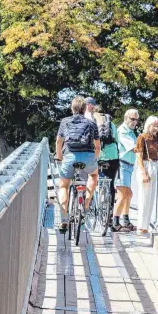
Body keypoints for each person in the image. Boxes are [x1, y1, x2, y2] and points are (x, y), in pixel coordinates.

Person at [55, 96, 101, 229]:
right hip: (88, 156)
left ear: (72, 108)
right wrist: (95, 158)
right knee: (93, 175)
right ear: (85, 108)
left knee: (63, 186)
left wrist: (59, 157)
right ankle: (86, 205)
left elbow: (59, 142)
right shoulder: (91, 123)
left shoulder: (65, 122)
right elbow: (97, 146)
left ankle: (64, 218)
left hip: (70, 156)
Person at [88, 101, 119, 209]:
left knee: (95, 180)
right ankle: (109, 213)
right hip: (113, 157)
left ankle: (94, 206)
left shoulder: (92, 123)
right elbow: (117, 140)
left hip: (99, 156)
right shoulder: (112, 125)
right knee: (111, 183)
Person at [113, 109, 140, 232]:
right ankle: (115, 222)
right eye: (132, 119)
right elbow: (134, 147)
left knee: (129, 194)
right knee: (122, 195)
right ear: (126, 118)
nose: (134, 122)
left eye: (136, 119)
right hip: (122, 165)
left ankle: (125, 220)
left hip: (128, 166)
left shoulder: (131, 132)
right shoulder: (122, 131)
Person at [134, 116, 158, 234]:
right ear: (148, 125)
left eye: (157, 126)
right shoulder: (142, 137)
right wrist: (143, 172)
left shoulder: (155, 138)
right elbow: (138, 156)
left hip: (154, 164)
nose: (156, 128)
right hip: (146, 165)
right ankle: (141, 226)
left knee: (151, 198)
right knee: (144, 197)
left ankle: (146, 226)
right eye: (154, 125)